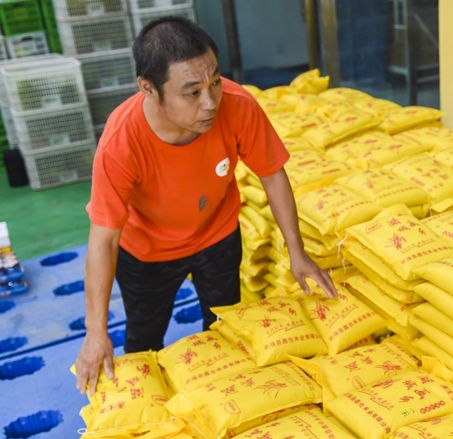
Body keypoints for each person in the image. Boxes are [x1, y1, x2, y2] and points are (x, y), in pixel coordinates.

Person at [74, 17, 336, 394]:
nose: (210, 102)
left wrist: (298, 253)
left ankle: (224, 405)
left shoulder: (239, 105)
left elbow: (273, 174)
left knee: (224, 330)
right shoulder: (122, 141)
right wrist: (95, 332)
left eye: (214, 81)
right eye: (192, 92)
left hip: (217, 234)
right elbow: (103, 239)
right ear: (148, 88)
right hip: (147, 252)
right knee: (145, 339)